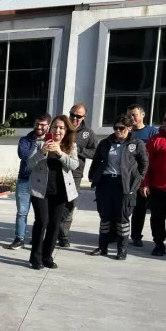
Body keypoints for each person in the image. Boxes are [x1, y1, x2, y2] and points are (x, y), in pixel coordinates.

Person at [87, 113, 148, 260]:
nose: (118, 131)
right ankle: (103, 247)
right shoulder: (105, 143)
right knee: (105, 216)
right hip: (106, 183)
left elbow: (144, 164)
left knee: (122, 218)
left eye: (122, 128)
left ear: (129, 128)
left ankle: (122, 250)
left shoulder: (137, 144)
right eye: (116, 128)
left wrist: (137, 180)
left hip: (125, 185)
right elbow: (96, 161)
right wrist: (93, 177)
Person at [26, 115, 79, 269]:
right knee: (42, 221)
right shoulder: (39, 143)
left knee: (55, 225)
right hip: (40, 189)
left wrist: (60, 153)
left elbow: (74, 165)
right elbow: (30, 163)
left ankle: (47, 256)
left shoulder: (71, 146)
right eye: (55, 127)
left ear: (66, 130)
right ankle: (35, 257)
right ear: (50, 128)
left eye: (62, 128)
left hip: (60, 191)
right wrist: (42, 152)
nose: (58, 130)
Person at [7, 114, 51, 249]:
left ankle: (37, 239)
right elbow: (25, 156)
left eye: (43, 125)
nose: (39, 127)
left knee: (41, 214)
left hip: (43, 181)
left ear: (48, 126)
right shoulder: (25, 140)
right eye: (37, 124)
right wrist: (41, 150)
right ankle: (19, 238)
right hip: (25, 179)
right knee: (22, 211)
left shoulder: (52, 141)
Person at [58, 103, 98, 247]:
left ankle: (63, 235)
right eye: (72, 114)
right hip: (57, 170)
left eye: (78, 116)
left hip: (74, 173)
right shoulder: (62, 126)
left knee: (69, 205)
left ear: (84, 117)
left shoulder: (88, 133)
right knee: (52, 203)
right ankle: (49, 232)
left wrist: (78, 149)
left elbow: (95, 152)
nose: (74, 118)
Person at [141, 108, 166, 257]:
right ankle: (159, 244)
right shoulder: (155, 140)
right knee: (157, 218)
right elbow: (146, 165)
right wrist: (145, 183)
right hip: (158, 187)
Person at [127, 104, 159, 247]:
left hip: (148, 177)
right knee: (130, 208)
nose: (132, 118)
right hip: (129, 177)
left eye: (134, 114)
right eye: (129, 115)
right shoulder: (126, 131)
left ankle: (139, 236)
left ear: (142, 115)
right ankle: (129, 235)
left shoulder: (152, 132)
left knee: (144, 208)